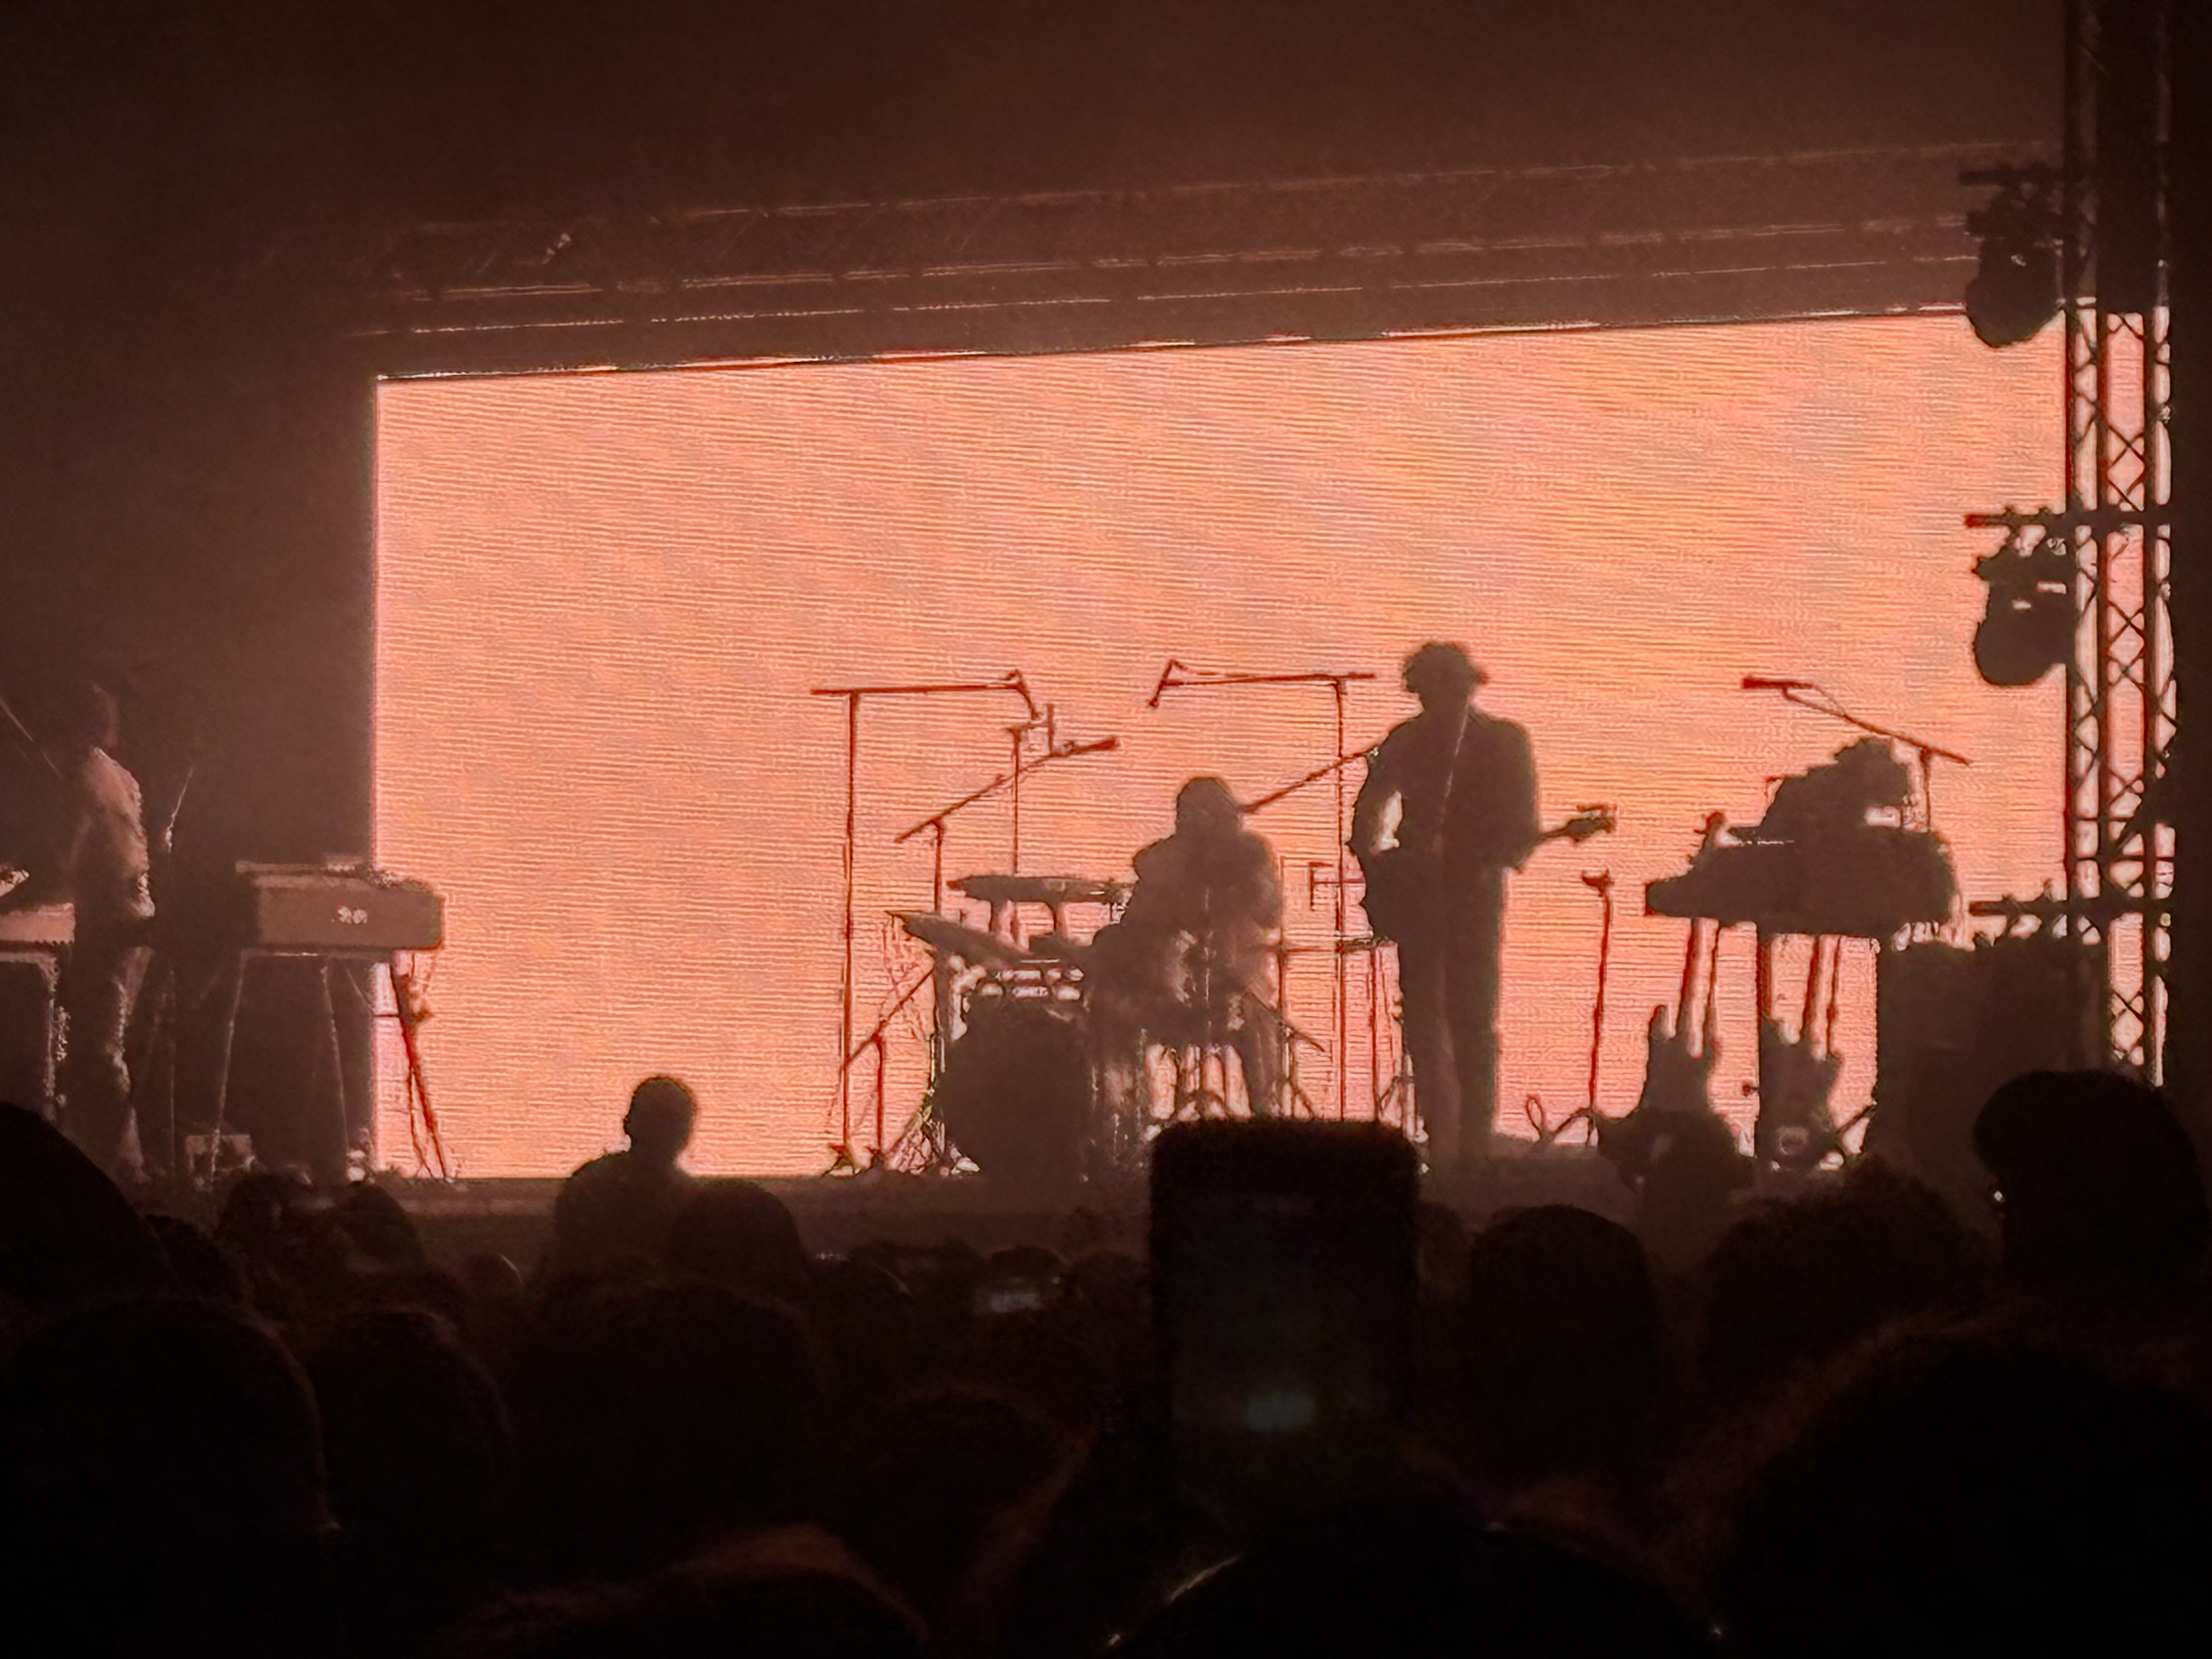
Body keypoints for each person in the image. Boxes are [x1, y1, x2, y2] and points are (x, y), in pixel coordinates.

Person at [1352, 644, 1538, 1168]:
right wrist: (1378, 871)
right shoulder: (1405, 740)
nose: (1439, 701)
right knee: (1422, 1018)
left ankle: (1474, 1145)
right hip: (1418, 893)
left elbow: (1522, 826)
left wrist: (1489, 855)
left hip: (1472, 893)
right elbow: (1368, 811)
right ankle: (1442, 1137)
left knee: (1472, 1017)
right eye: (1429, 691)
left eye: (1448, 689)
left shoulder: (1503, 741)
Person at [1088, 778, 1283, 1125]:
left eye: (1206, 813)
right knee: (1111, 1006)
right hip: (1165, 987)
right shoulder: (1169, 859)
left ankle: (1268, 1119)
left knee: (1258, 1018)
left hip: (1233, 979)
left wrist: (1245, 870)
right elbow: (1142, 900)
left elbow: (1270, 913)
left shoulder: (1249, 855)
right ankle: (1124, 1114)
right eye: (1189, 814)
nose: (1194, 821)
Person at [50, 681, 156, 1182]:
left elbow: (64, 865)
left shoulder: (82, 778)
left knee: (97, 1048)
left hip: (112, 923)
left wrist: (9, 899)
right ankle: (105, 1159)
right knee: (98, 1045)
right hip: (132, 918)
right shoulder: (122, 777)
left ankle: (122, 1169)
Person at [545, 1075, 699, 1279]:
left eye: (673, 1121)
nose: (664, 1129)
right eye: (659, 1119)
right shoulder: (692, 1198)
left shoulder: (589, 1184)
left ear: (628, 1124)